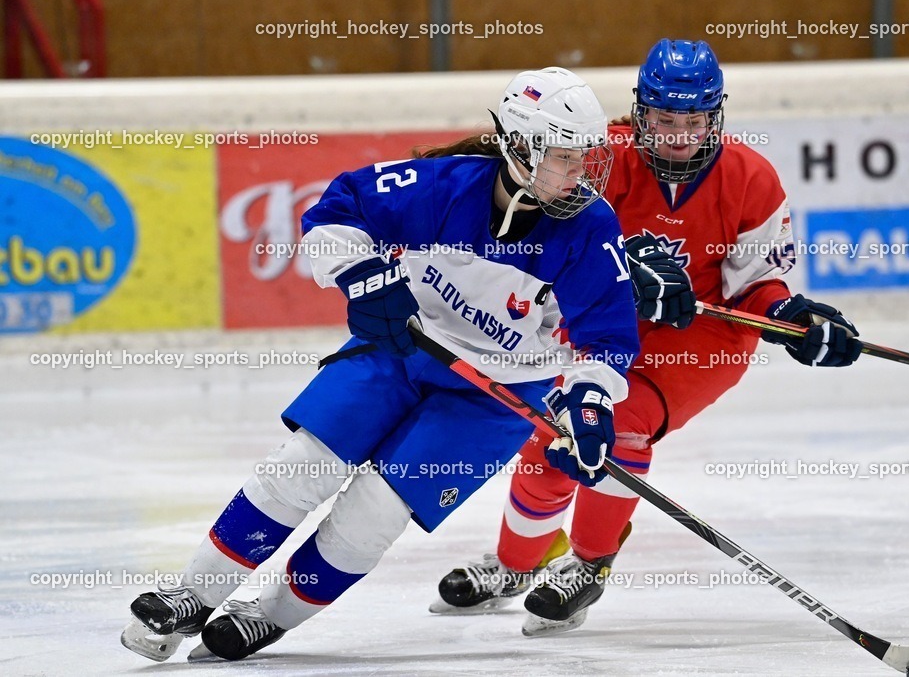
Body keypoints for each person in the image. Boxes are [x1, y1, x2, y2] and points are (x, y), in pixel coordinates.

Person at [120, 66, 641, 662]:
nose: (582, 173)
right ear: (519, 146)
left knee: (374, 512)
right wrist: (363, 277)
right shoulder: (441, 187)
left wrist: (591, 399)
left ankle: (269, 617)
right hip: (403, 350)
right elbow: (337, 209)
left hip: (496, 394)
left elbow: (608, 338)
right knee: (302, 466)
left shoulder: (591, 229)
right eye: (565, 157)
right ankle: (193, 593)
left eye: (586, 157)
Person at [431, 39, 863, 636]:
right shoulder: (598, 157)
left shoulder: (750, 177)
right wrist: (620, 270)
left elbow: (758, 285)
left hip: (701, 339)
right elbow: (547, 245)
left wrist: (793, 318)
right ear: (640, 111)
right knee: (558, 435)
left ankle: (590, 563)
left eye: (694, 119)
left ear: (717, 113)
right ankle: (514, 565)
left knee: (619, 424)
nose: (679, 134)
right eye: (665, 119)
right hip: (601, 325)